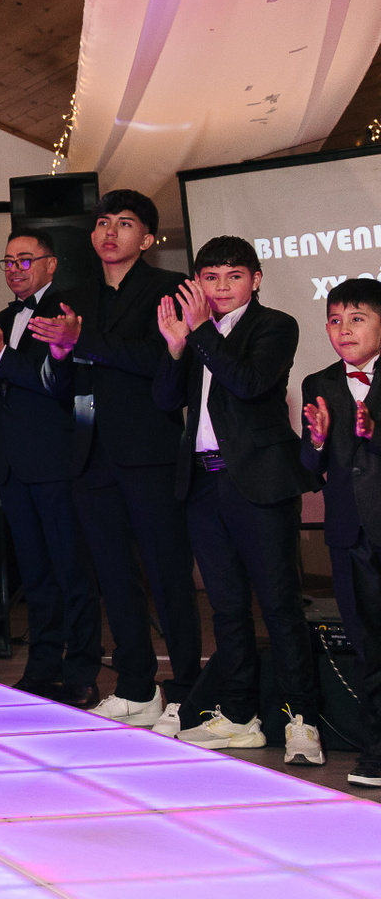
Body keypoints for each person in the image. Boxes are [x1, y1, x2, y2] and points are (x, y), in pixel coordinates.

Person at [30, 189, 200, 733]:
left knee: (168, 575)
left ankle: (187, 692)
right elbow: (62, 385)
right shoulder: (74, 296)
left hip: (149, 452)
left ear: (147, 239)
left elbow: (161, 360)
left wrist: (85, 340)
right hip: (90, 453)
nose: (110, 232)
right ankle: (135, 687)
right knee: (113, 576)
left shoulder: (169, 287)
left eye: (124, 224)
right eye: (103, 222)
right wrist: (61, 355)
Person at [154, 235, 322, 762]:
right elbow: (165, 399)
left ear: (256, 279)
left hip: (259, 482)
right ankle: (238, 715)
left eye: (234, 276)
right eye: (211, 277)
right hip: (204, 484)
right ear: (197, 282)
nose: (222, 286)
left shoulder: (275, 325)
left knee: (279, 605)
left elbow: (249, 383)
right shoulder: (194, 332)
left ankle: (301, 721)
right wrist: (175, 347)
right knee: (226, 609)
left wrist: (201, 331)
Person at [0, 228, 101, 707]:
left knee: (72, 573)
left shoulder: (65, 314)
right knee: (35, 577)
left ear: (50, 264)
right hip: (13, 467)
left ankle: (81, 671)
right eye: (8, 261)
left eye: (25, 259)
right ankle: (41, 669)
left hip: (58, 463)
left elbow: (55, 386)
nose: (15, 269)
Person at [299, 277, 381, 787]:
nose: (343, 329)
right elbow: (310, 469)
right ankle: (377, 749)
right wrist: (317, 441)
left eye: (357, 318)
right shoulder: (320, 382)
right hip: (349, 531)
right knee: (368, 644)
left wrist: (375, 432)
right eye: (334, 320)